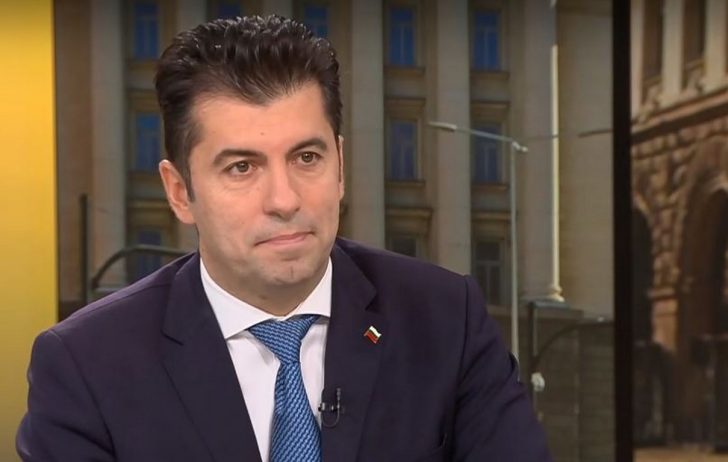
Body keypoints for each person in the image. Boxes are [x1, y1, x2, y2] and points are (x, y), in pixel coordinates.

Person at [17, 15, 552, 462]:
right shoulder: (87, 363)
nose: (284, 199)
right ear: (180, 192)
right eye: (242, 167)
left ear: (340, 166)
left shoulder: (446, 320)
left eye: (307, 157)